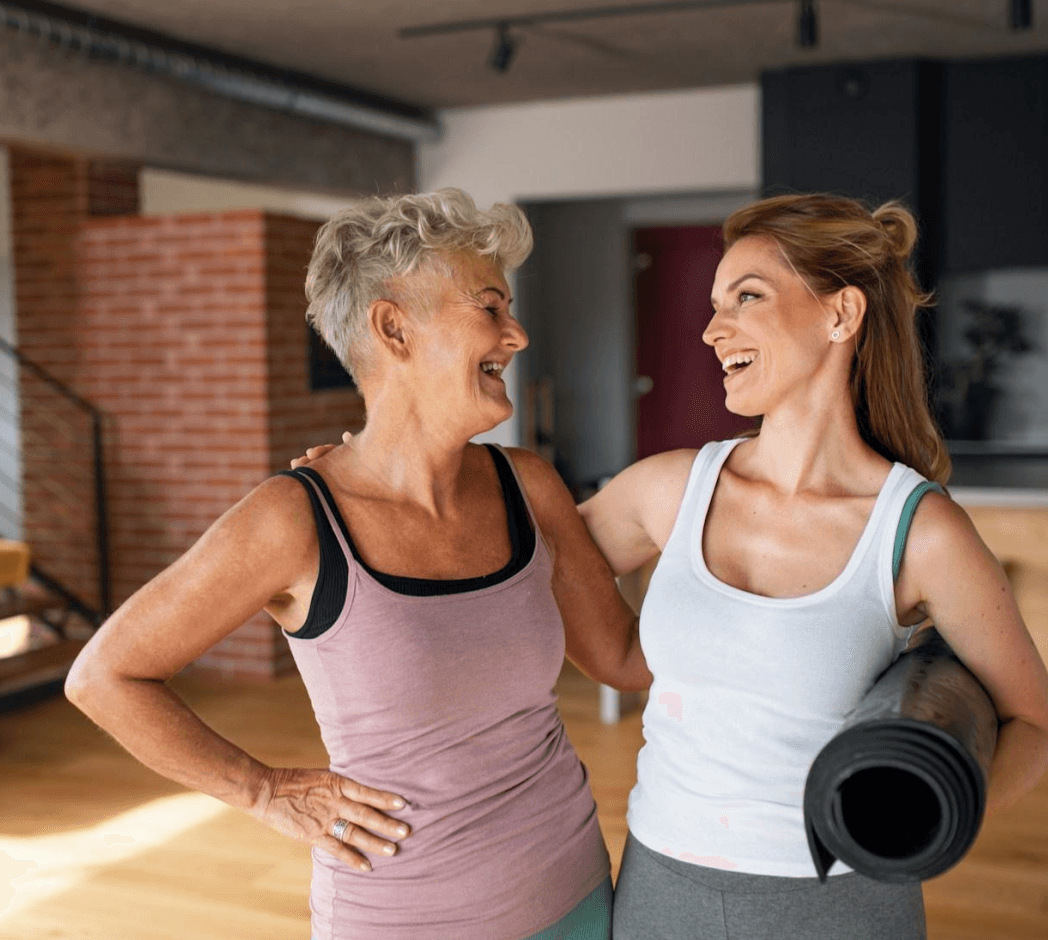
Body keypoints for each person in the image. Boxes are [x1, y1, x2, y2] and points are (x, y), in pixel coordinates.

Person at [64, 188, 649, 940]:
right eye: (490, 307)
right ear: (393, 327)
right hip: (405, 918)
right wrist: (262, 791)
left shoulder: (527, 486)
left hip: (573, 890)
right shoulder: (295, 519)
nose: (518, 333)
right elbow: (104, 676)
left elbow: (622, 656)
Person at [574, 193, 1048, 939]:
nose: (712, 330)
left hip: (838, 903)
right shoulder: (671, 488)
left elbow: (1036, 722)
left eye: (747, 297)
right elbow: (517, 570)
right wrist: (368, 484)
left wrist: (921, 825)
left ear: (841, 316)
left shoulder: (919, 532)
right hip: (660, 885)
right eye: (714, 304)